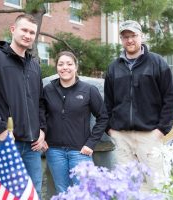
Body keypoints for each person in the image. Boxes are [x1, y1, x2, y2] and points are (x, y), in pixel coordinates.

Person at [0, 14, 46, 198]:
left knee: (33, 193)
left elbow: (40, 102)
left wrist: (42, 130)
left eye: (32, 32)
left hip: (32, 146)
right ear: (13, 29)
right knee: (2, 195)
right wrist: (1, 130)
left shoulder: (35, 65)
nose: (28, 35)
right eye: (24, 30)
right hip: (4, 142)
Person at [104, 20, 173, 190]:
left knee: (156, 184)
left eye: (133, 36)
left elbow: (171, 97)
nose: (130, 40)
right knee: (127, 186)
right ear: (121, 40)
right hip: (121, 137)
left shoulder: (157, 63)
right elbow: (107, 101)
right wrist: (110, 129)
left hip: (149, 135)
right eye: (125, 37)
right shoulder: (114, 68)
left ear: (142, 36)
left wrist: (161, 130)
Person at [43, 51, 108, 194]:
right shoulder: (48, 90)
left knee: (83, 192)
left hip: (80, 151)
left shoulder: (89, 90)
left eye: (69, 64)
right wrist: (41, 136)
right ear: (57, 67)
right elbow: (40, 115)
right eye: (61, 64)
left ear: (76, 67)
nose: (65, 67)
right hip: (54, 151)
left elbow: (103, 117)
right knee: (62, 192)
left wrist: (90, 144)